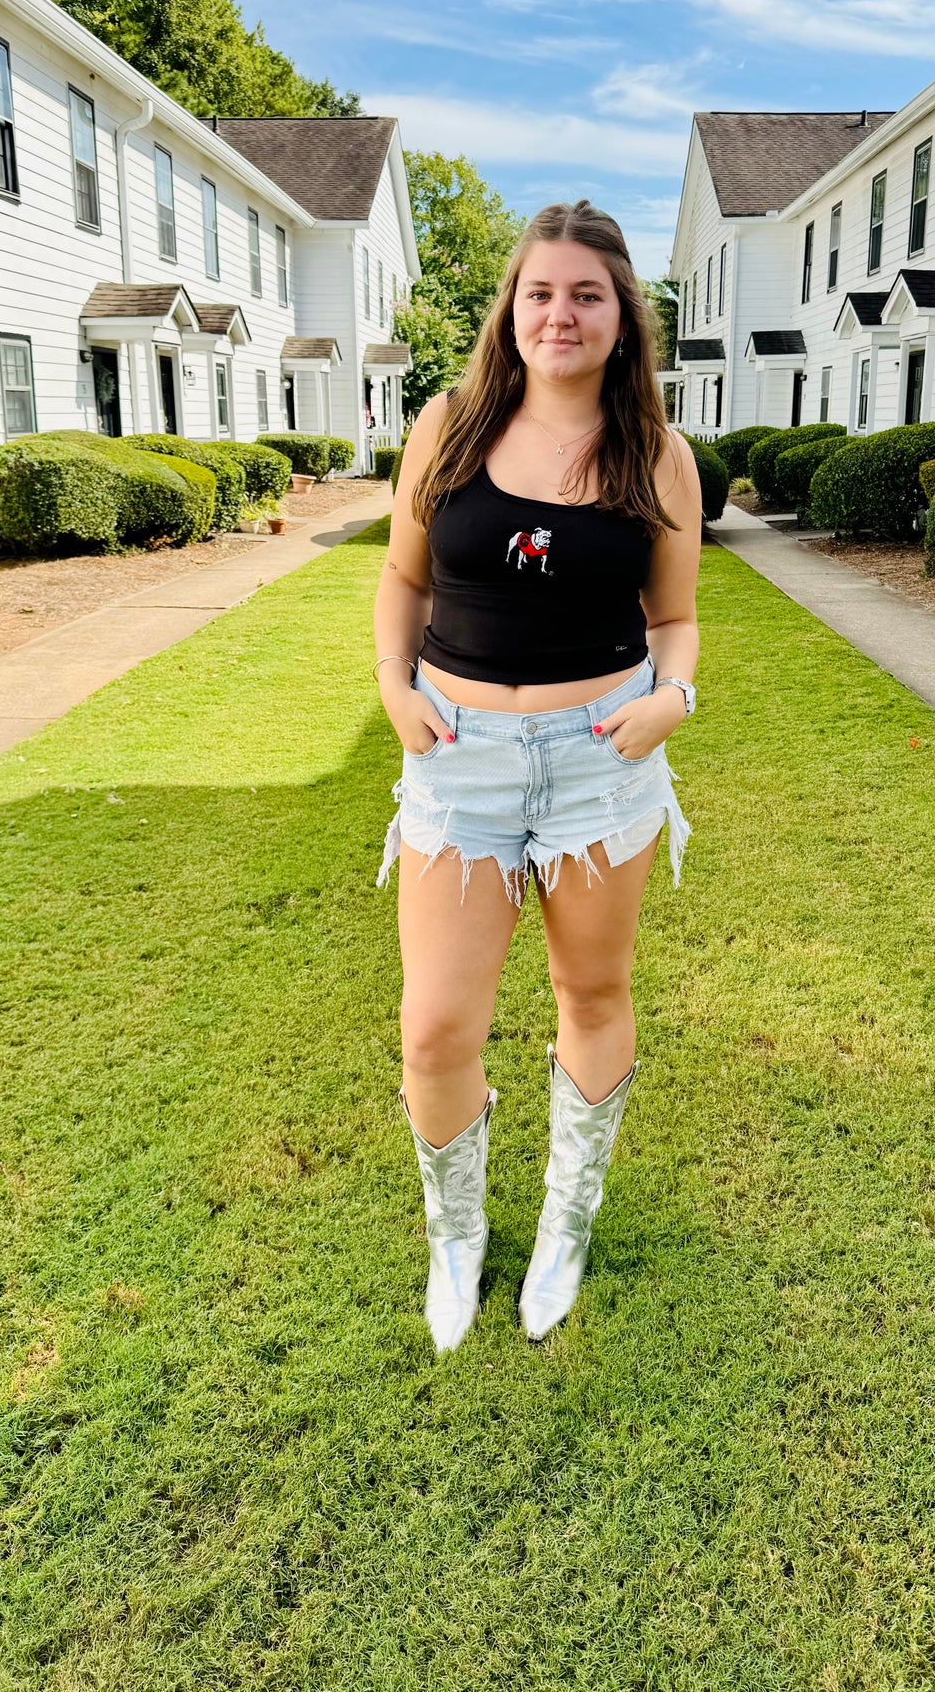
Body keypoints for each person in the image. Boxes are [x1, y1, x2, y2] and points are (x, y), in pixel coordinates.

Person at [373, 199, 702, 1353]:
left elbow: (673, 617)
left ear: (621, 319)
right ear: (509, 308)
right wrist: (393, 686)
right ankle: (454, 1234)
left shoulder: (656, 455)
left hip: (598, 764)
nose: (558, 313)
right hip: (456, 757)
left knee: (591, 996)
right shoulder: (448, 425)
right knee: (435, 1025)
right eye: (539, 292)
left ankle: (566, 1217)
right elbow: (404, 583)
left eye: (585, 294)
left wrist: (671, 697)